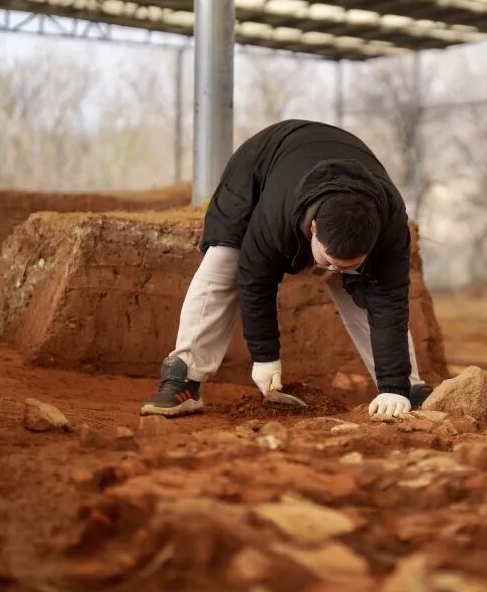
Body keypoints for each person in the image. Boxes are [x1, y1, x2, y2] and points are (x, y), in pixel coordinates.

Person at [141, 119, 432, 419]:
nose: (333, 269)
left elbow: (389, 303)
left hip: (337, 162)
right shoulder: (275, 215)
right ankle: (184, 378)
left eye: (347, 264)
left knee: (369, 289)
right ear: (314, 228)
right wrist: (265, 356)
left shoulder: (391, 229)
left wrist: (394, 386)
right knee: (224, 261)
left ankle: (405, 387)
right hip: (260, 165)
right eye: (329, 259)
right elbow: (255, 278)